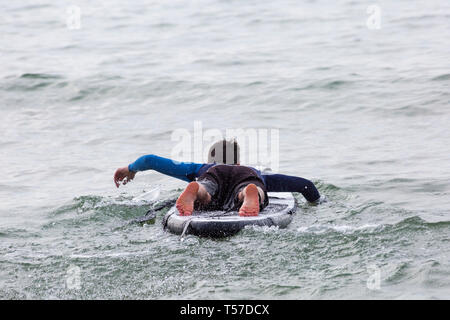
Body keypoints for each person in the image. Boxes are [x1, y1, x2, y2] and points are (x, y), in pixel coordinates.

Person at [114, 139, 321, 216]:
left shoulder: (201, 167)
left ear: (210, 159)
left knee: (206, 190)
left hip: (210, 176)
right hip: (247, 178)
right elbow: (305, 186)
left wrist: (130, 169)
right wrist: (317, 201)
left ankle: (198, 191)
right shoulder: (250, 170)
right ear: (238, 162)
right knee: (252, 187)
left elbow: (150, 159)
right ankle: (249, 194)